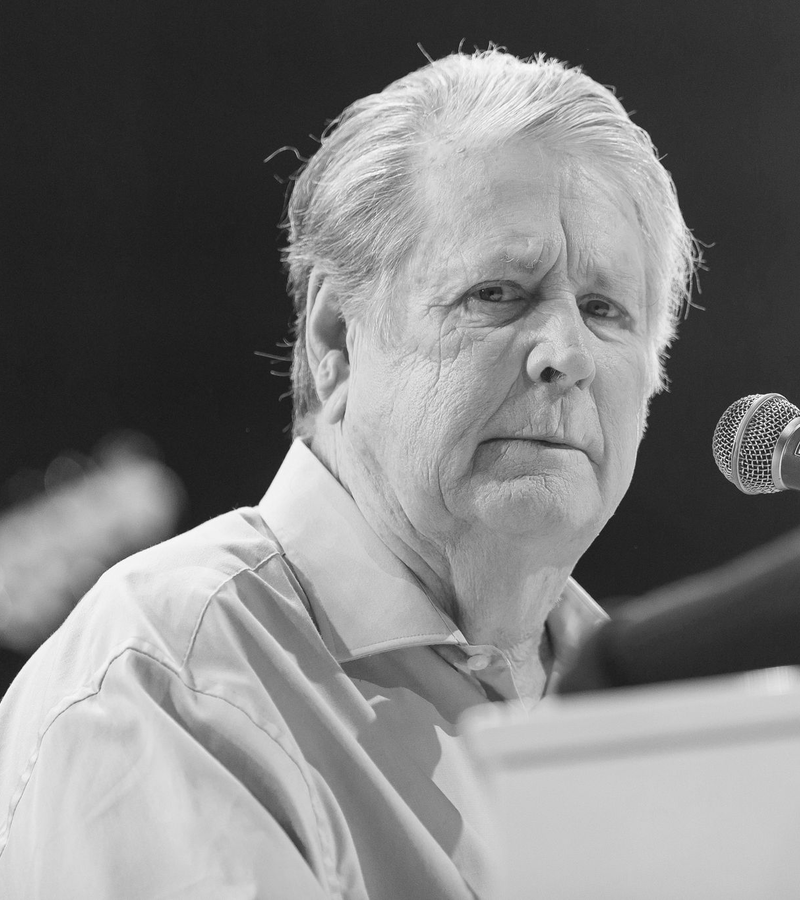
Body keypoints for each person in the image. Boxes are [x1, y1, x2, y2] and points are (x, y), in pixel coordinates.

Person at [0, 49, 698, 898]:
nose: (567, 353)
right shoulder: (172, 677)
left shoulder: (670, 715)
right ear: (336, 339)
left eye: (604, 309)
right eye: (499, 293)